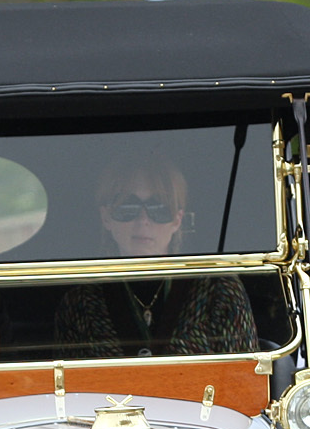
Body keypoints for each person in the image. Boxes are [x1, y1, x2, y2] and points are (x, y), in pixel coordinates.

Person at [52, 151, 257, 359]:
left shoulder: (219, 290)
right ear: (106, 217)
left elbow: (244, 381)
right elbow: (71, 388)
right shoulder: (79, 303)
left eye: (158, 208)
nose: (143, 221)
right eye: (128, 207)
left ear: (177, 220)